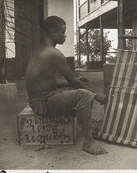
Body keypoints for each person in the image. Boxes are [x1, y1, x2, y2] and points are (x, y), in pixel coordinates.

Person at [25, 16, 108, 155]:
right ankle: (88, 142)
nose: (65, 36)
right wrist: (96, 95)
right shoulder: (54, 53)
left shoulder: (40, 49)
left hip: (39, 98)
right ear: (53, 32)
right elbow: (74, 82)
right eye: (62, 32)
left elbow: (45, 82)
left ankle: (85, 125)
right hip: (42, 103)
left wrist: (75, 82)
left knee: (78, 91)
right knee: (85, 95)